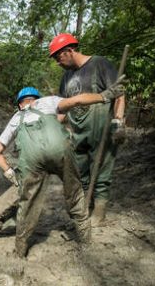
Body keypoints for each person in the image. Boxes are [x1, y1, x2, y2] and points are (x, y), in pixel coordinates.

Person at [0, 84, 124, 257]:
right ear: (36, 99)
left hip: (32, 160)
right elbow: (77, 100)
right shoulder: (47, 102)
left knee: (28, 203)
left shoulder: (16, 118)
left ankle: (20, 252)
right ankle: (86, 242)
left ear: (19, 104)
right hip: (60, 151)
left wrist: (10, 172)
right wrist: (104, 96)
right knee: (75, 194)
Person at [49, 33, 125, 226]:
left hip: (102, 128)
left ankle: (99, 213)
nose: (58, 62)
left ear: (69, 50)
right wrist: (51, 129)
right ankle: (85, 207)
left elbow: (118, 93)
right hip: (78, 131)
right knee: (80, 172)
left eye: (58, 57)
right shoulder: (66, 77)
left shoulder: (100, 64)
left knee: (101, 171)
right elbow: (62, 107)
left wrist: (118, 121)